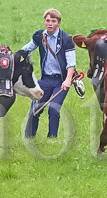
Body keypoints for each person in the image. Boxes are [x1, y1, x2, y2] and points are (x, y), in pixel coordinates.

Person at [20, 8, 76, 139]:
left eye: (53, 21)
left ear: (59, 23)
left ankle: (52, 138)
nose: (50, 23)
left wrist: (68, 80)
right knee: (35, 108)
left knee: (53, 109)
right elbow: (26, 49)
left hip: (60, 81)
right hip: (45, 80)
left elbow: (71, 63)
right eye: (47, 20)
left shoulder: (66, 39)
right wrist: (12, 56)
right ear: (44, 22)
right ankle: (29, 136)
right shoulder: (40, 36)